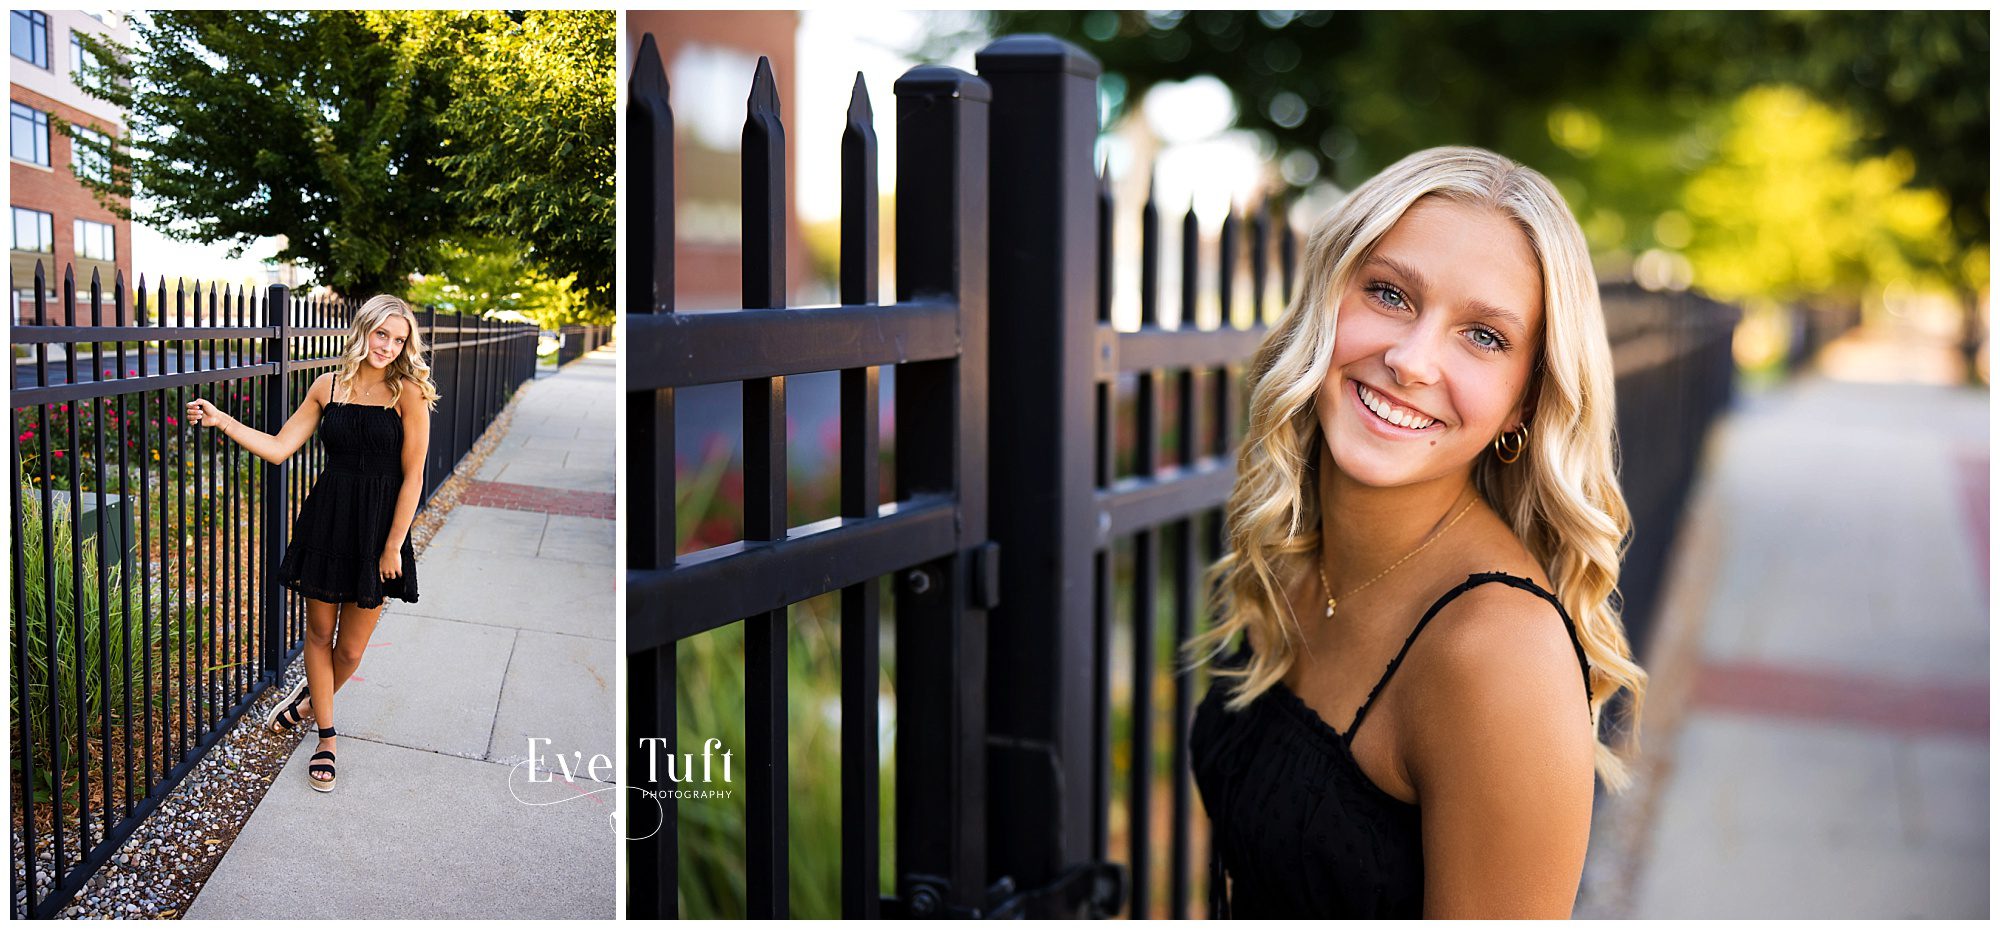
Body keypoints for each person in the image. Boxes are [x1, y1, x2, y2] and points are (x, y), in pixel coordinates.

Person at [1184, 146, 1647, 918]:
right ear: (1328, 298)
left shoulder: (1499, 651)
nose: (1410, 359)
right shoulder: (1296, 549)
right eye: (1391, 294)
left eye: (1485, 336)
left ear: (1525, 403)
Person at [187, 294, 436, 793]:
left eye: (398, 338)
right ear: (363, 329)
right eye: (381, 334)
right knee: (318, 638)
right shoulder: (327, 386)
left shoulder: (408, 393)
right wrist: (223, 420)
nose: (387, 346)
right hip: (327, 521)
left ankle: (303, 704)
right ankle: (326, 736)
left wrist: (393, 545)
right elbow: (280, 447)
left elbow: (412, 478)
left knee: (350, 650)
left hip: (377, 531)